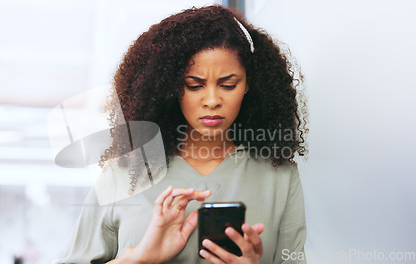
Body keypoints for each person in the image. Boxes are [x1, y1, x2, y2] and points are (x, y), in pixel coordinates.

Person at [57, 4, 308, 264]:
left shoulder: (280, 177)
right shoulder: (125, 173)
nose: (212, 100)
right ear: (169, 87)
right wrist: (138, 259)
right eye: (194, 85)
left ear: (248, 85)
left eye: (228, 84)